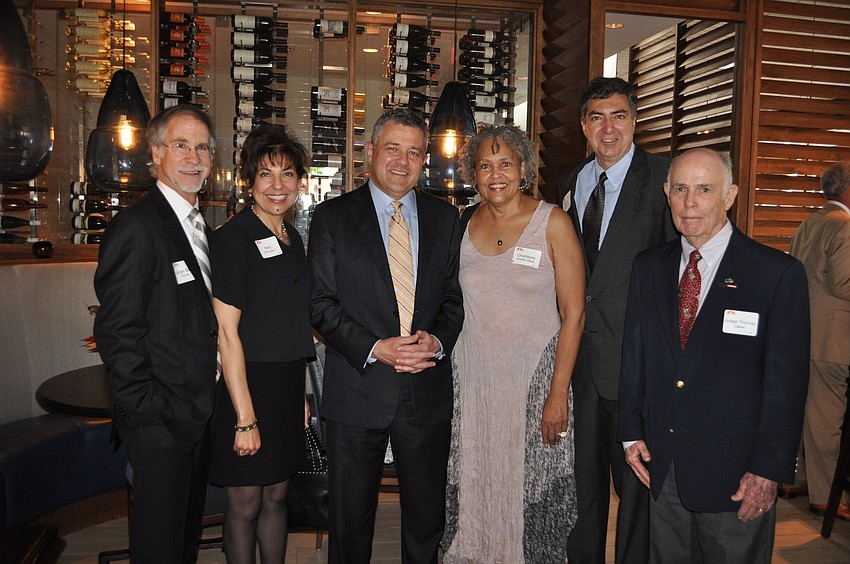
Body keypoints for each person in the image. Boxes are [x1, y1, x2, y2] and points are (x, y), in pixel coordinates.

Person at [618, 148, 810, 563]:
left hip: (738, 478)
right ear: (666, 193)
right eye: (681, 189)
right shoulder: (648, 267)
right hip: (664, 469)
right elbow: (635, 357)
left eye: (704, 190)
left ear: (729, 196)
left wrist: (769, 470)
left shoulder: (776, 275)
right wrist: (631, 432)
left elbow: (787, 387)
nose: (690, 203)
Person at [308, 108, 464, 563]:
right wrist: (376, 347)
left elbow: (454, 299)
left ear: (425, 160)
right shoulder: (331, 216)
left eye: (414, 151)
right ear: (370, 151)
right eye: (392, 148)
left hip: (425, 389)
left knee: (424, 521)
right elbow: (320, 303)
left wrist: (436, 342)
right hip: (357, 390)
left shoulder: (445, 219)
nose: (402, 160)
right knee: (350, 523)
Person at [440, 125, 584, 562]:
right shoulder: (462, 223)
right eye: (485, 165)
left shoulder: (553, 222)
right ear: (473, 173)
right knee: (477, 479)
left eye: (505, 163)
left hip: (534, 383)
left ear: (522, 169)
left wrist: (558, 393)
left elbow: (574, 313)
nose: (495, 174)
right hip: (473, 383)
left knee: (531, 487)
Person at [555, 76, 677, 564]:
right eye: (597, 117)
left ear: (635, 121)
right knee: (581, 491)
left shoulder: (666, 178)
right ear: (584, 125)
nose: (608, 129)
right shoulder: (572, 181)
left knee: (636, 495)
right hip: (580, 364)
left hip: (638, 367)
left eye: (619, 116)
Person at [93, 105, 218, 563]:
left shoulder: (198, 225)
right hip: (161, 424)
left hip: (197, 416)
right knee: (158, 547)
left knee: (181, 542)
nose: (194, 157)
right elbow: (116, 332)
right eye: (180, 145)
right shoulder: (137, 226)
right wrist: (150, 413)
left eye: (202, 147)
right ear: (155, 153)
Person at [208, 125, 316, 563]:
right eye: (266, 174)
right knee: (246, 502)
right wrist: (245, 418)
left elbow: (292, 324)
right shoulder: (232, 240)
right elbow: (226, 334)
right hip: (245, 387)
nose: (278, 186)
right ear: (248, 180)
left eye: (287, 174)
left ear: (300, 181)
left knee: (277, 495)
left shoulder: (293, 240)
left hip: (286, 386)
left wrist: (302, 395)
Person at [789, 161, 850, 521]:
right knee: (828, 418)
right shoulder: (844, 227)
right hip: (834, 340)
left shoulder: (808, 224)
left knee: (803, 413)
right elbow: (844, 283)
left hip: (804, 333)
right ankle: (827, 497)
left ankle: (792, 479)